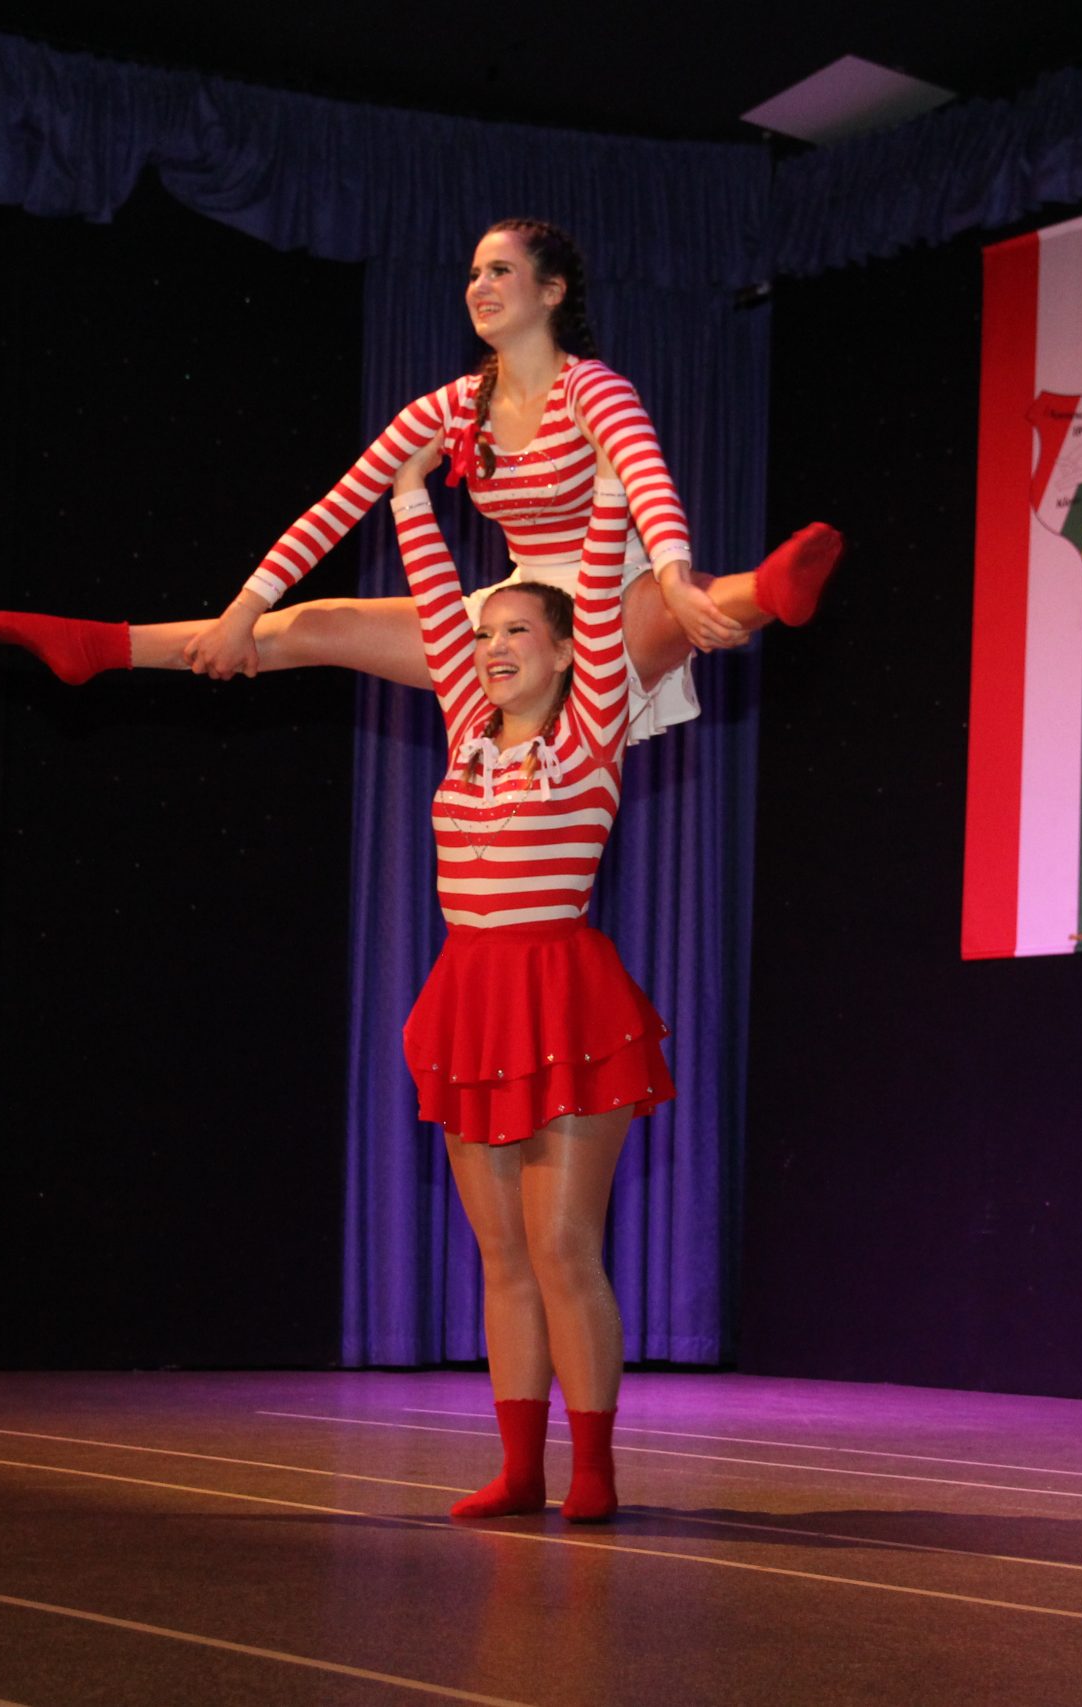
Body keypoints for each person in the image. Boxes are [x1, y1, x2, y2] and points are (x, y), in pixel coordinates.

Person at [0, 217, 839, 744]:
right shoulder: (451, 407)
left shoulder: (594, 388)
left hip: (617, 591)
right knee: (316, 623)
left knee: (674, 604)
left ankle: (768, 589)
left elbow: (647, 483)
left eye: (500, 270)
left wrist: (677, 578)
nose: (479, 285)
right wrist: (240, 612)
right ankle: (101, 647)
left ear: (551, 292)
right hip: (518, 607)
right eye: (473, 273)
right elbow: (337, 508)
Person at [387, 439, 662, 1523]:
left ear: (565, 653)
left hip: (566, 994)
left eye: (516, 633)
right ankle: (519, 1468)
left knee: (560, 1246)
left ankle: (592, 1469)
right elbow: (433, 598)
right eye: (485, 633)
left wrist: (609, 486)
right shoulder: (466, 729)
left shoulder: (591, 734)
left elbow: (597, 579)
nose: (493, 646)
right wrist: (409, 492)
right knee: (501, 1253)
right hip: (470, 995)